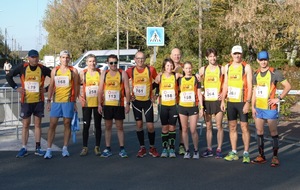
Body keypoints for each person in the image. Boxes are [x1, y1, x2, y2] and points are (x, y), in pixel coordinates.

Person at [6, 49, 51, 157]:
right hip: (26, 101)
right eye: (32, 57)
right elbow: (8, 76)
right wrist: (16, 87)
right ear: (28, 58)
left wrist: (46, 89)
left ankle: (38, 147)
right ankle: (24, 147)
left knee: (37, 125)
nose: (34, 59)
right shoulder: (23, 67)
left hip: (38, 101)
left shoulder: (42, 68)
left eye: (36, 57)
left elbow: (54, 77)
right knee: (25, 125)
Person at [251, 50, 291, 167]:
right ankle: (261, 156)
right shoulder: (255, 74)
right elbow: (254, 91)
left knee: (273, 132)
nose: (263, 62)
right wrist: (252, 106)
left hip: (270, 108)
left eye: (265, 59)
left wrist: (278, 98)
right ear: (258, 61)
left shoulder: (275, 73)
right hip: (259, 107)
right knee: (259, 131)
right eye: (261, 60)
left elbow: (288, 86)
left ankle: (275, 157)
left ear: (268, 60)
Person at [44, 50, 79, 159]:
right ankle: (48, 149)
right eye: (63, 57)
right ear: (60, 59)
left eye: (67, 57)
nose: (65, 59)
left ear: (69, 59)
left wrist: (75, 101)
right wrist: (49, 100)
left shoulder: (73, 71)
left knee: (67, 123)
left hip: (68, 101)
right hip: (56, 101)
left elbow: (77, 86)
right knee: (52, 124)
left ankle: (65, 148)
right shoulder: (55, 70)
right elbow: (51, 86)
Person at [221, 45, 252, 163]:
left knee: (244, 127)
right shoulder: (227, 67)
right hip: (231, 102)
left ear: (242, 54)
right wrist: (223, 100)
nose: (237, 55)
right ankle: (234, 152)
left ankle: (246, 153)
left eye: (239, 53)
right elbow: (225, 84)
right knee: (232, 127)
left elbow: (249, 86)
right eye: (235, 53)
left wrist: (248, 102)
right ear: (231, 54)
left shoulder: (246, 67)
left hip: (242, 101)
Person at [126, 51, 160, 158]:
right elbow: (122, 83)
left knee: (150, 126)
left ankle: (152, 147)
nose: (140, 60)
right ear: (135, 59)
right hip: (136, 102)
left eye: (142, 58)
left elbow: (159, 81)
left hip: (147, 102)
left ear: (144, 59)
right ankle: (142, 148)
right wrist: (127, 96)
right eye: (138, 58)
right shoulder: (130, 71)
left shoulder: (150, 69)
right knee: (139, 125)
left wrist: (156, 95)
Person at [98, 54, 130, 158]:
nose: (113, 65)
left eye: (115, 62)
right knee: (108, 127)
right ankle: (108, 148)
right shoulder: (104, 73)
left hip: (118, 105)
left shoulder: (122, 73)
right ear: (107, 63)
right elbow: (100, 90)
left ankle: (122, 148)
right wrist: (99, 104)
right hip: (107, 105)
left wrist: (128, 103)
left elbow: (127, 89)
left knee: (119, 127)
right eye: (111, 63)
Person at [199, 48, 224, 159]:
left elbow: (228, 82)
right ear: (206, 58)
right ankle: (209, 148)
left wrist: (223, 94)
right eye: (210, 56)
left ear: (216, 57)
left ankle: (219, 148)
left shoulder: (221, 69)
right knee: (208, 126)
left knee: (219, 125)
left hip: (218, 100)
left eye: (214, 56)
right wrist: (201, 95)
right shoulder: (202, 69)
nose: (212, 58)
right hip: (207, 100)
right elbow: (196, 83)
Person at [154, 58, 181, 158]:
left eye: (171, 65)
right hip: (163, 105)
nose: (169, 67)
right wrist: (155, 95)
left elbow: (187, 76)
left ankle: (172, 148)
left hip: (173, 105)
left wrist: (196, 76)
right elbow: (154, 85)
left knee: (172, 127)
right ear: (164, 67)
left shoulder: (176, 75)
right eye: (167, 65)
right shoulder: (160, 76)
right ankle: (165, 148)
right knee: (165, 127)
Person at [178, 61, 203, 159]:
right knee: (184, 129)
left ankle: (196, 150)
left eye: (190, 68)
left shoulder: (196, 79)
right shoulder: (180, 80)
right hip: (182, 107)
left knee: (193, 130)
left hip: (193, 107)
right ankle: (187, 150)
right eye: (186, 68)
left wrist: (201, 107)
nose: (188, 70)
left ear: (192, 69)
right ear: (183, 69)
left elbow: (199, 94)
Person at [78, 54, 102, 156]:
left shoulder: (100, 73)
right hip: (86, 104)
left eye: (94, 61)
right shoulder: (82, 73)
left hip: (97, 103)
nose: (92, 63)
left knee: (98, 125)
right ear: (86, 63)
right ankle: (85, 147)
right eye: (90, 61)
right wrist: (79, 96)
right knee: (86, 126)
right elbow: (76, 84)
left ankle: (97, 147)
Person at [170, 48, 185, 155]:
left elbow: (190, 78)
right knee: (171, 126)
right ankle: (171, 147)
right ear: (171, 56)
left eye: (178, 55)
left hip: (182, 101)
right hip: (170, 101)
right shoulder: (167, 67)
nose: (176, 56)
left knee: (182, 126)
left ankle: (182, 146)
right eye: (174, 55)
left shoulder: (184, 67)